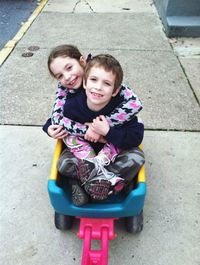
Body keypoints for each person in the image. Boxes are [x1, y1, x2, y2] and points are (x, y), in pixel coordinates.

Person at [43, 46, 145, 205]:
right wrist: (48, 128)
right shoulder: (72, 104)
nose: (68, 77)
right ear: (85, 83)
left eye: (69, 68)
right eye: (60, 76)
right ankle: (110, 184)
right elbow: (58, 119)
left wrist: (108, 131)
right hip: (83, 156)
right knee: (63, 163)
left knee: (136, 157)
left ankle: (85, 185)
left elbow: (135, 136)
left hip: (112, 154)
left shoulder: (118, 104)